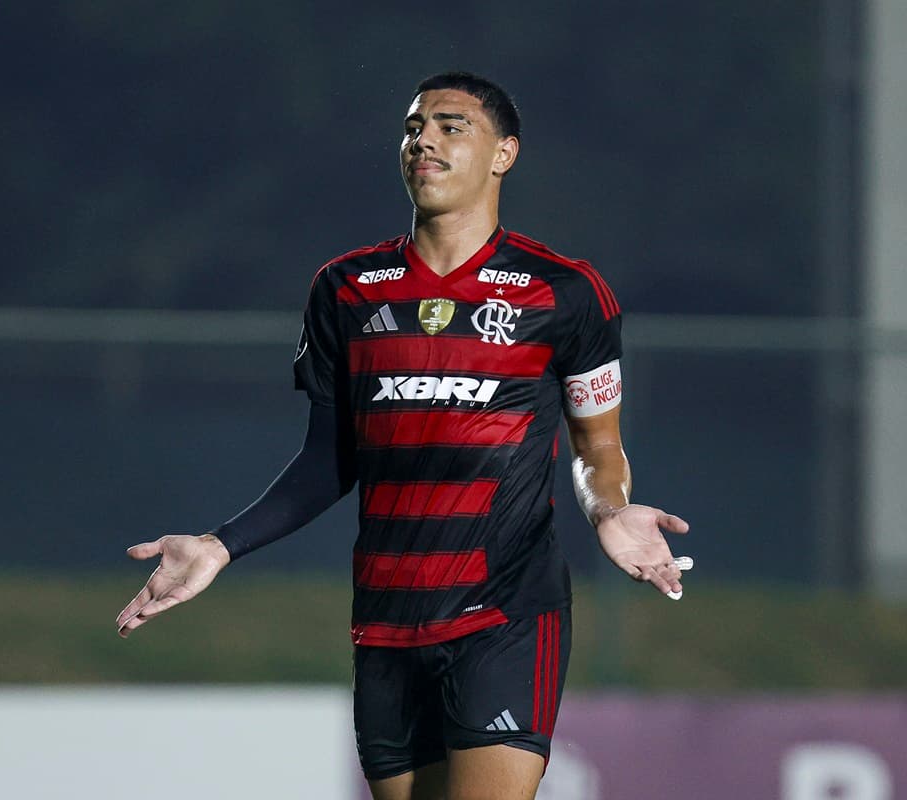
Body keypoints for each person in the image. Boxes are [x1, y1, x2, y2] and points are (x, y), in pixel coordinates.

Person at [115, 71, 692, 800]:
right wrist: (221, 544)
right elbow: (329, 459)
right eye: (415, 127)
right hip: (385, 625)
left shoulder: (566, 292)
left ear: (503, 154)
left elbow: (599, 448)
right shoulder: (347, 289)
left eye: (453, 126)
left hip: (505, 614)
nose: (425, 139)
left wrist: (609, 510)